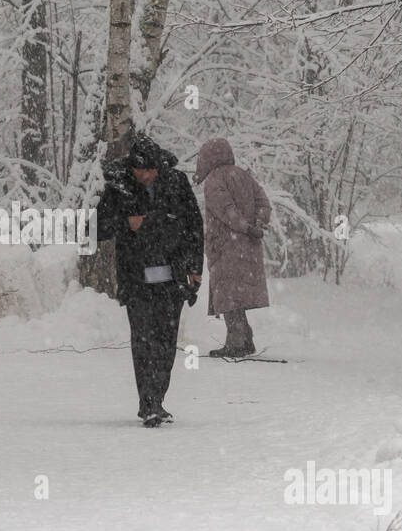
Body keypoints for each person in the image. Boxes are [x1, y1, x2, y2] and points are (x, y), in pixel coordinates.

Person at [96, 133, 204, 427]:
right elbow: (97, 228)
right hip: (136, 278)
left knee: (166, 343)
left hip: (173, 278)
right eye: (138, 170)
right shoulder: (119, 187)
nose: (143, 176)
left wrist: (196, 268)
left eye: (149, 170)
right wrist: (126, 222)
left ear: (159, 167)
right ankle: (149, 404)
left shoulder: (177, 183)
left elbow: (194, 224)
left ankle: (157, 398)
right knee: (143, 341)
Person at [193, 137, 272, 358]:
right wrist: (257, 224)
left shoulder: (214, 180)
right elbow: (264, 203)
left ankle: (237, 342)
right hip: (249, 247)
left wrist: (243, 227)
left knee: (228, 295)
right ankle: (245, 338)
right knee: (237, 295)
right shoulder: (244, 175)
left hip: (227, 245)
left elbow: (226, 210)